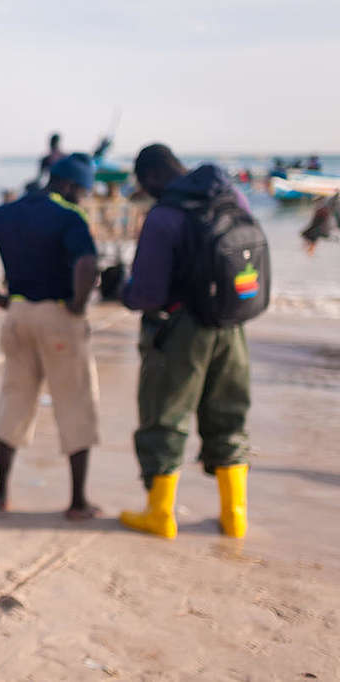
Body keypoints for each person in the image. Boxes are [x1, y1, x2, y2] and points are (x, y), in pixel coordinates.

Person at [0, 153, 101, 520]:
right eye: (81, 191)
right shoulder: (69, 216)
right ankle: (78, 502)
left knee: (14, 399)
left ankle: (1, 491)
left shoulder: (5, 213)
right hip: (59, 316)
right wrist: (79, 306)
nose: (82, 199)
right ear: (68, 185)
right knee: (75, 402)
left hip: (17, 314)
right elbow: (88, 263)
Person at [119, 143, 251, 539]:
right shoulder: (234, 196)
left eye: (144, 183)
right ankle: (235, 515)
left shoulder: (165, 215)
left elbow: (147, 293)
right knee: (229, 416)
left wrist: (123, 292)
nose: (146, 190)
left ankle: (160, 514)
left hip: (180, 330)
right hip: (232, 325)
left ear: (155, 174)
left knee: (165, 417)